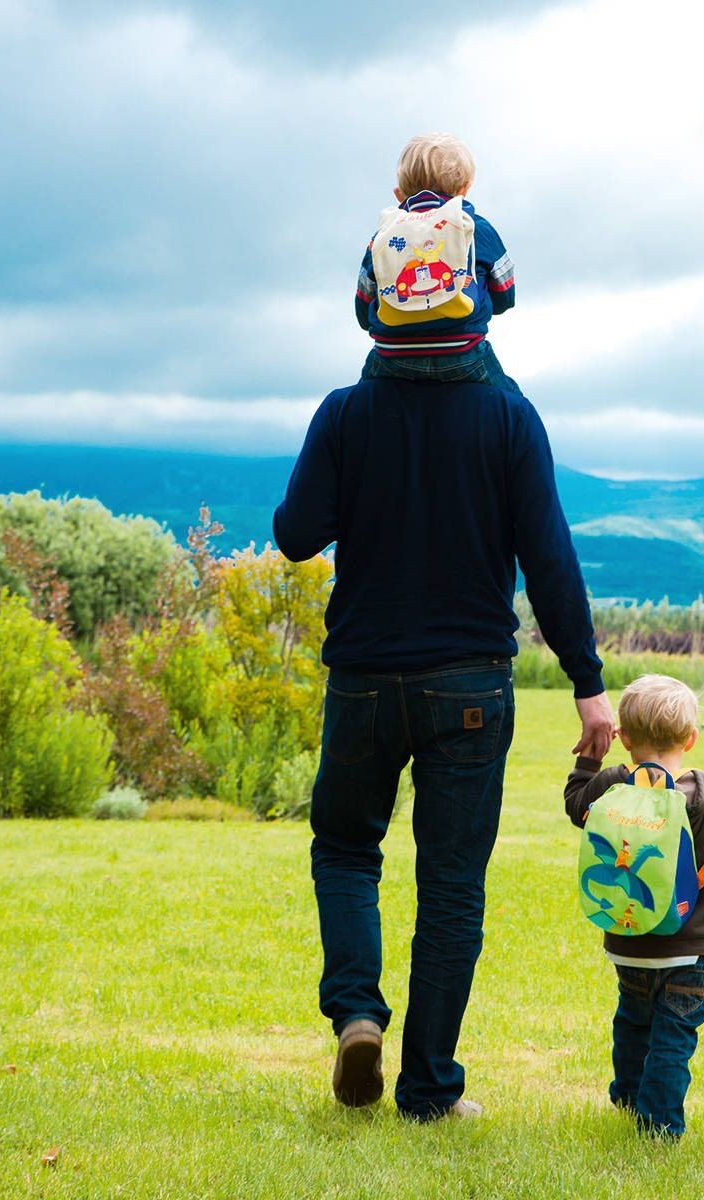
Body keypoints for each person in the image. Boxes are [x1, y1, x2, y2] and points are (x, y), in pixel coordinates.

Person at [272, 371, 615, 1121]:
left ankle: (357, 1012)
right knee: (452, 888)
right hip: (470, 687)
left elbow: (296, 535)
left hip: (362, 678)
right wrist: (587, 680)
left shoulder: (344, 412)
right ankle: (428, 1090)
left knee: (346, 849)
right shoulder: (509, 418)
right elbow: (549, 556)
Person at [563, 674, 704, 1138]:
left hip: (629, 940)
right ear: (690, 739)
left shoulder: (614, 785)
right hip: (691, 947)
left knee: (634, 1019)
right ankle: (660, 1124)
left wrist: (591, 760)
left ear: (624, 738)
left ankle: (630, 1096)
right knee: (674, 1033)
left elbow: (577, 808)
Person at [354, 132, 517, 390]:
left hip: (391, 358)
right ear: (465, 189)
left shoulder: (383, 236)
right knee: (515, 405)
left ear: (399, 195)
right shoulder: (477, 229)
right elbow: (505, 295)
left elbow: (363, 310)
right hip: (464, 354)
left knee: (356, 407)